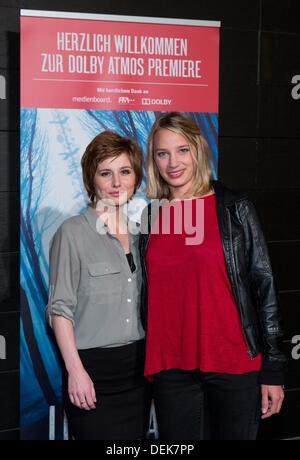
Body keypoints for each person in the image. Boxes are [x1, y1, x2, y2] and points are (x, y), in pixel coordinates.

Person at [139, 112, 286, 440]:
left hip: (233, 364)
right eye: (162, 153)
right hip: (171, 369)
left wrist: (272, 368)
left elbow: (264, 285)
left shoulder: (235, 208)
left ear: (198, 150)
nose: (172, 162)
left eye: (182, 150)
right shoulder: (151, 217)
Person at [46, 130, 150, 440]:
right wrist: (76, 372)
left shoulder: (142, 235)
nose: (117, 183)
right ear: (92, 180)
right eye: (106, 173)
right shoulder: (72, 233)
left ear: (136, 178)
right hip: (92, 375)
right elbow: (59, 309)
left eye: (125, 171)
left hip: (139, 375)